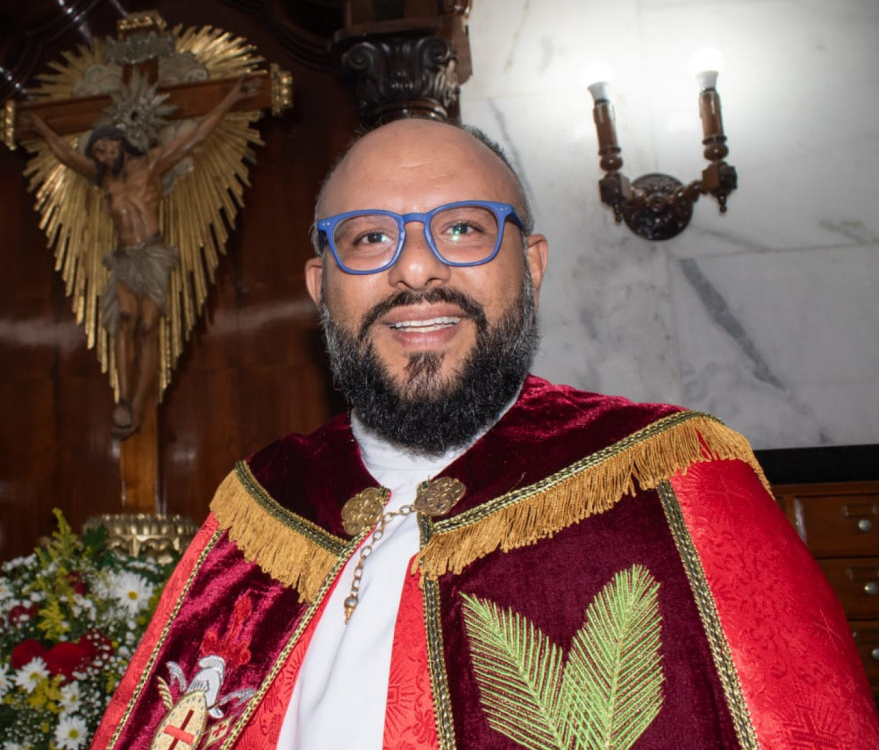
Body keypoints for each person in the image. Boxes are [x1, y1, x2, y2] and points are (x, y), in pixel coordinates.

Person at [89, 119, 879, 749]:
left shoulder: (671, 482)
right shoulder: (266, 509)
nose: (415, 271)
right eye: (369, 238)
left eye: (463, 229)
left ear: (530, 265)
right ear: (318, 284)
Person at [27, 77, 260, 439]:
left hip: (151, 255)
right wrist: (40, 126)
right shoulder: (102, 179)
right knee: (124, 318)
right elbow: (64, 154)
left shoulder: (152, 165)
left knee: (147, 327)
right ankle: (121, 398)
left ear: (122, 145)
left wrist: (231, 98)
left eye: (108, 149)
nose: (104, 156)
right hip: (123, 258)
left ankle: (136, 403)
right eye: (99, 152)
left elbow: (195, 137)